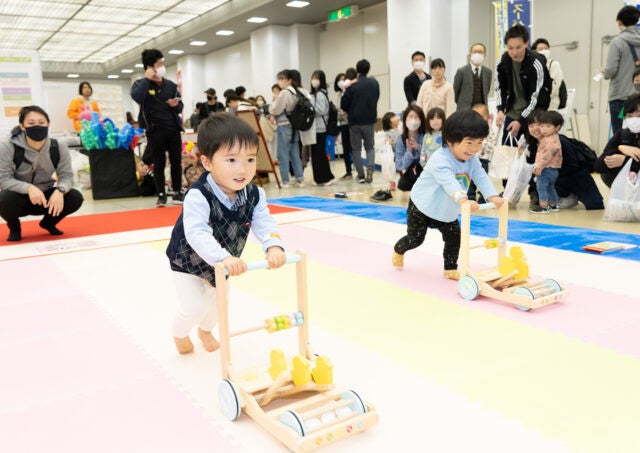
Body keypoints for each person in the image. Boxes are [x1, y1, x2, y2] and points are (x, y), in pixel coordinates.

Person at [165, 113, 286, 354]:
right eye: (231, 160)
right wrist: (223, 257)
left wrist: (273, 245)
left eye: (250, 159)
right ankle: (179, 333)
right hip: (187, 260)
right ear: (208, 163)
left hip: (222, 264)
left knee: (219, 306)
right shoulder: (199, 195)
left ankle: (206, 330)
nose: (243, 169)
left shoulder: (254, 194)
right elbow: (197, 233)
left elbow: (263, 221)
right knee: (194, 306)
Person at [392, 110, 503, 279]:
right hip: (422, 206)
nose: (474, 149)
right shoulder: (440, 159)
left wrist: (492, 196)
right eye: (469, 143)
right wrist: (464, 200)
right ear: (450, 141)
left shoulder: (472, 159)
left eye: (479, 143)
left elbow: (480, 176)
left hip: (446, 210)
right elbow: (448, 182)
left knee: (453, 238)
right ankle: (398, 250)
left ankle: (450, 268)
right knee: (415, 239)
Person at [0, 105, 84, 241]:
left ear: (48, 124)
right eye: (31, 123)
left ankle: (48, 223)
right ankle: (14, 227)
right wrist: (29, 188)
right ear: (22, 126)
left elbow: (66, 176)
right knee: (3, 199)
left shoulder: (58, 146)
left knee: (75, 197)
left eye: (41, 122)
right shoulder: (7, 146)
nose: (37, 126)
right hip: (19, 197)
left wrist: (60, 190)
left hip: (45, 197)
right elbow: (3, 179)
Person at [131, 49, 185, 207]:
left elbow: (180, 107)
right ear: (149, 67)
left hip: (173, 130)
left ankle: (177, 192)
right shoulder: (141, 85)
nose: (162, 66)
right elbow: (137, 97)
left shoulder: (170, 85)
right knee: (158, 164)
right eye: (159, 64)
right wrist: (147, 79)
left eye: (162, 63)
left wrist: (176, 105)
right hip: (155, 131)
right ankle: (161, 194)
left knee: (176, 162)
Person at [522, 110, 604, 210]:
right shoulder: (533, 146)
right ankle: (554, 197)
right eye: (531, 126)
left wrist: (550, 170)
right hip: (553, 177)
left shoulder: (560, 141)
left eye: (540, 125)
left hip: (575, 177)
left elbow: (573, 166)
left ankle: (569, 195)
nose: (536, 128)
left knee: (595, 206)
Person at [495, 24, 551, 143]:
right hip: (512, 112)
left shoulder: (536, 64)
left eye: (518, 47)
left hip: (535, 114)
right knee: (507, 152)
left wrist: (521, 121)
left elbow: (535, 98)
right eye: (510, 48)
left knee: (532, 154)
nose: (514, 52)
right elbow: (500, 88)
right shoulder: (502, 62)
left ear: (526, 43)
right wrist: (500, 110)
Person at [601, 5, 640, 135]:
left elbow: (611, 71)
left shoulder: (617, 42)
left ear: (619, 22)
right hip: (638, 96)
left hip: (621, 98)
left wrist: (604, 72)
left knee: (621, 136)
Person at [340, 59, 380, 183]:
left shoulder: (352, 86)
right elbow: (376, 97)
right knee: (370, 147)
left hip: (355, 122)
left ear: (357, 70)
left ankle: (361, 175)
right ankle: (370, 170)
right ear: (368, 69)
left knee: (356, 149)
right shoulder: (374, 83)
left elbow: (344, 105)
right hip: (369, 120)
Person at [269, 69, 306, 188]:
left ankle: (285, 180)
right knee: (294, 153)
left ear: (289, 80)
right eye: (279, 79)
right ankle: (299, 178)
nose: (280, 82)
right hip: (294, 125)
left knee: (282, 154)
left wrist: (273, 103)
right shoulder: (296, 91)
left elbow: (275, 110)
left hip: (284, 125)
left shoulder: (285, 93)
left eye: (282, 79)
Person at [595, 93, 640, 187]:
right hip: (627, 189)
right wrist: (621, 148)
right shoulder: (622, 134)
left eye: (639, 115)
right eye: (630, 116)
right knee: (606, 174)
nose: (634, 119)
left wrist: (625, 161)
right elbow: (599, 165)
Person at [530, 110, 563, 214]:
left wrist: (539, 165)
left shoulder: (550, 140)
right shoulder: (552, 137)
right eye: (542, 126)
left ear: (557, 127)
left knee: (541, 187)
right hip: (553, 169)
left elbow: (548, 154)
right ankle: (554, 205)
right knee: (550, 187)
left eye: (548, 126)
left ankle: (544, 207)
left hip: (546, 168)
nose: (543, 129)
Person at [467, 104, 496, 204]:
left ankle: (484, 198)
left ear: (488, 117)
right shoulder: (469, 129)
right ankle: (470, 197)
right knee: (470, 180)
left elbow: (491, 141)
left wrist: (481, 149)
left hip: (484, 158)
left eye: (482, 116)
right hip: (471, 158)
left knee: (483, 179)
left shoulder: (488, 129)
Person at [309, 70, 335, 186]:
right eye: (313, 77)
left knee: (318, 154)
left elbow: (320, 110)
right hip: (317, 128)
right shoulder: (318, 93)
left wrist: (309, 108)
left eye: (317, 78)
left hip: (319, 128)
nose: (314, 80)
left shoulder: (319, 94)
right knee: (318, 153)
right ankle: (324, 176)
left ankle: (323, 178)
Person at [395, 105, 426, 193]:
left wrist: (418, 147)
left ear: (421, 120)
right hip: (411, 169)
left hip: (424, 168)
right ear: (405, 119)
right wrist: (409, 152)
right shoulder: (401, 139)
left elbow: (430, 157)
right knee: (402, 184)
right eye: (411, 116)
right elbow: (400, 165)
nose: (413, 120)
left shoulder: (425, 136)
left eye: (416, 117)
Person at [453, 43, 492, 112]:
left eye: (480, 52)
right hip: (464, 111)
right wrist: (462, 104)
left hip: (482, 111)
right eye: (475, 52)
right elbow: (455, 92)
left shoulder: (488, 72)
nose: (477, 54)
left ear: (484, 55)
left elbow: (486, 90)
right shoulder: (461, 71)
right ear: (470, 55)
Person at [532, 38, 565, 111]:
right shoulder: (532, 65)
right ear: (534, 51)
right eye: (541, 49)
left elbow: (553, 89)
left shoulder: (554, 64)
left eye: (546, 49)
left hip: (550, 106)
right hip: (535, 106)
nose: (544, 51)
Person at [334, 72, 353, 179]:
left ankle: (355, 167)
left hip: (350, 123)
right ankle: (348, 170)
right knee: (345, 148)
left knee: (352, 147)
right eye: (339, 80)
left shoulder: (349, 92)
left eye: (343, 79)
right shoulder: (339, 95)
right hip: (342, 123)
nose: (341, 82)